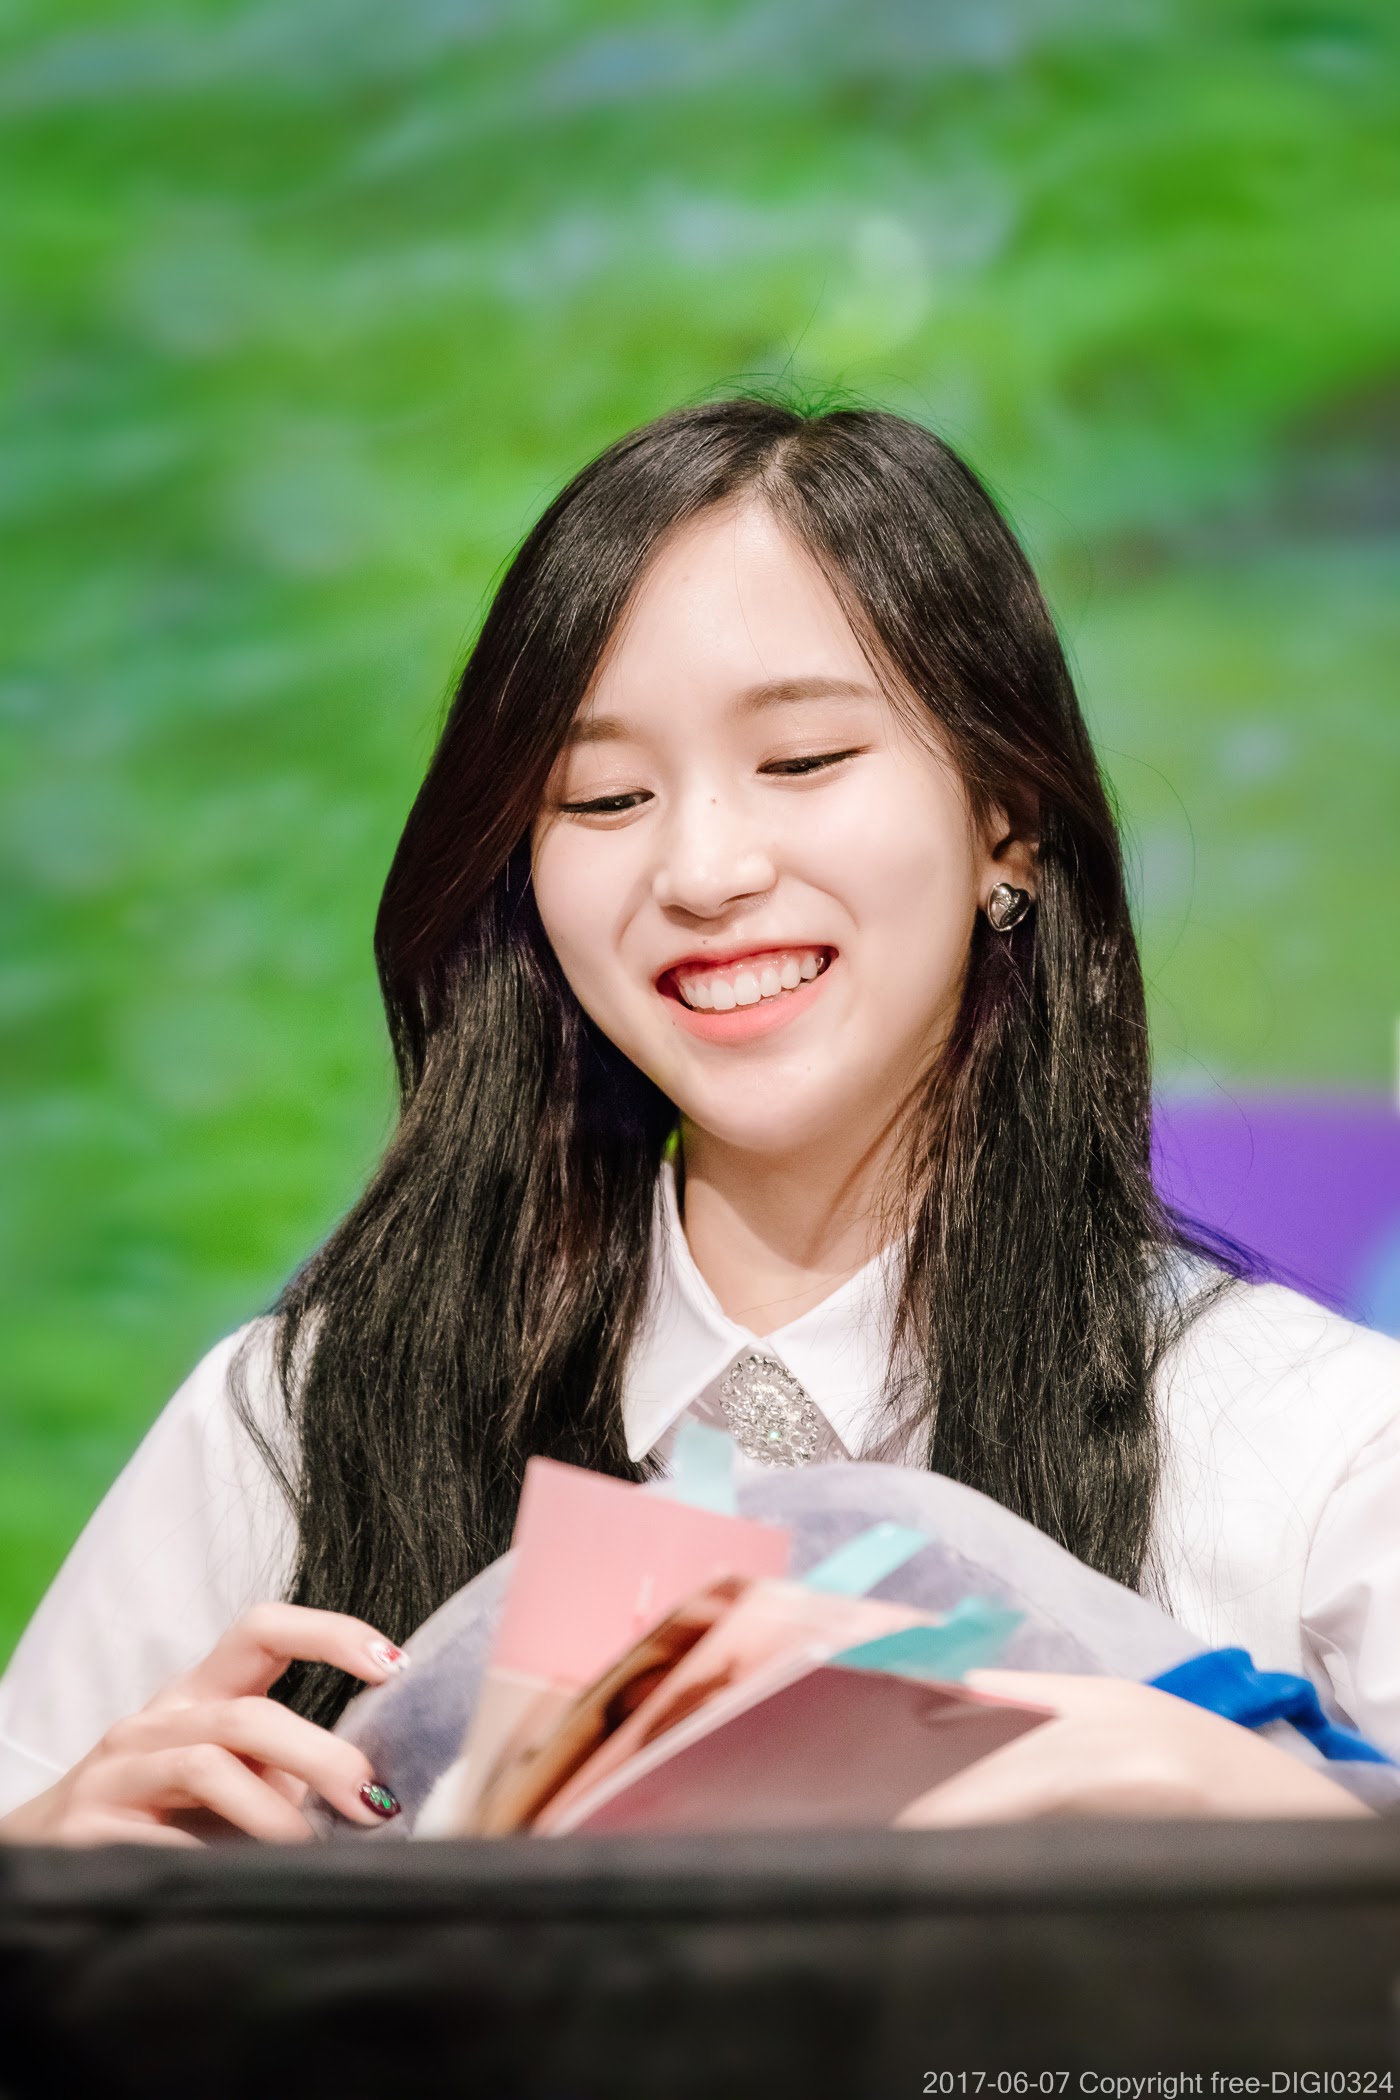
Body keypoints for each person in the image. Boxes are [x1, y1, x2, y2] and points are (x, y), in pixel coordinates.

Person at [3, 399, 1397, 1843]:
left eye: (801, 761)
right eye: (605, 797)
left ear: (1009, 822)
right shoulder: (299, 1425)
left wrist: (1294, 1815)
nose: (704, 870)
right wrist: (50, 1866)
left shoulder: (1311, 1450)